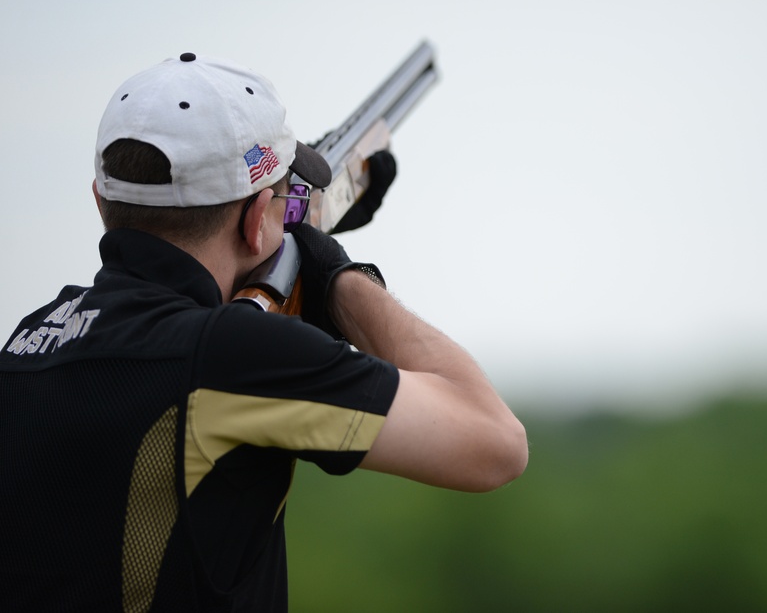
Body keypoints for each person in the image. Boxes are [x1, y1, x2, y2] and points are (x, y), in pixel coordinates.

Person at [0, 53, 528, 612]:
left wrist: (281, 248)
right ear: (257, 222)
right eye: (283, 200)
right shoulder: (231, 356)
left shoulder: (26, 342)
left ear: (102, 201)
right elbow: (495, 443)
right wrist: (337, 281)